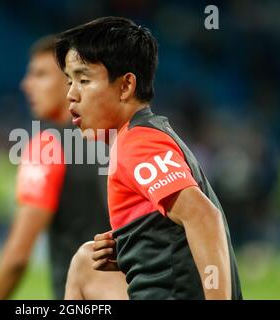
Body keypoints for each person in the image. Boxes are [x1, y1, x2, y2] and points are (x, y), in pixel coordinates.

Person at [55, 17, 242, 299]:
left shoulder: (139, 143)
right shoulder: (144, 134)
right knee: (86, 262)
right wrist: (133, 249)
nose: (71, 94)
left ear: (125, 86)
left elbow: (204, 217)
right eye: (69, 81)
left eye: (83, 79)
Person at [0, 36, 125, 300]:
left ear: (70, 82)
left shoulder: (47, 146)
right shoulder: (121, 137)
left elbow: (17, 257)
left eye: (40, 75)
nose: (26, 85)